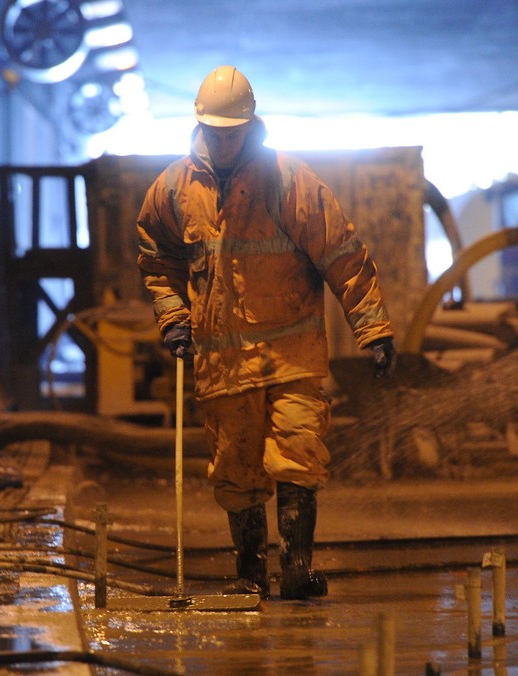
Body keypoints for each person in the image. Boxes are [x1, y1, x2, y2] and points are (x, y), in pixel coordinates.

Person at [136, 65, 396, 600]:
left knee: (299, 453)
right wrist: (173, 317)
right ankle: (250, 575)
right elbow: (156, 259)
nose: (226, 140)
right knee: (236, 470)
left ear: (251, 125)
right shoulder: (172, 190)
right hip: (223, 362)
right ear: (200, 126)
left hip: (290, 352)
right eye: (217, 131)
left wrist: (373, 328)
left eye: (234, 131)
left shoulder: (289, 181)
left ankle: (297, 568)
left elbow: (342, 254)